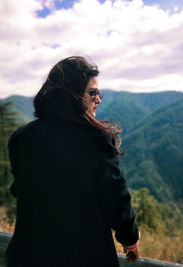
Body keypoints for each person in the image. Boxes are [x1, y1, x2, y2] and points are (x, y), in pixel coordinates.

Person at [6, 56, 140, 267]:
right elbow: (116, 199)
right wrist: (130, 239)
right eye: (93, 93)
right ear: (72, 95)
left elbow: (18, 190)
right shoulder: (97, 139)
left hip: (26, 254)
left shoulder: (20, 137)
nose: (99, 99)